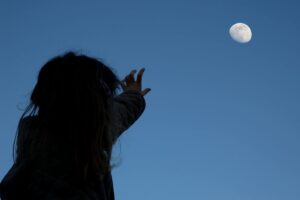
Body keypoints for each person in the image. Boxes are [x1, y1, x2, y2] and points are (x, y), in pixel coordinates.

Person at [0, 51, 151, 200]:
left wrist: (132, 96)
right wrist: (133, 96)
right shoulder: (72, 169)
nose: (110, 110)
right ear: (94, 112)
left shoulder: (37, 148)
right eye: (107, 101)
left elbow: (117, 115)